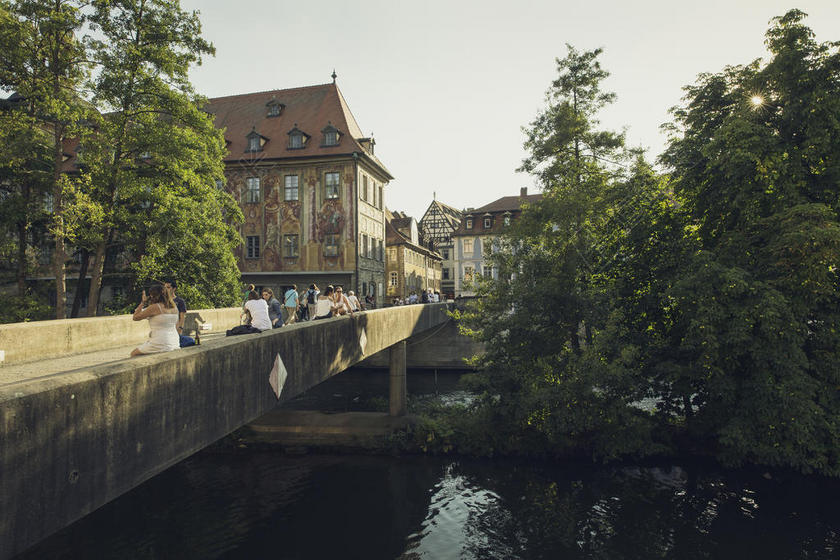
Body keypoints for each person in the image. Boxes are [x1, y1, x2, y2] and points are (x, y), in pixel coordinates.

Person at [131, 285, 180, 356]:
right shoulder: (174, 307)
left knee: (134, 353)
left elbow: (135, 317)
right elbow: (177, 325)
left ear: (152, 295)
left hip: (160, 341)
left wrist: (142, 302)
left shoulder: (155, 307)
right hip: (174, 340)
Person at [165, 279, 195, 347]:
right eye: (165, 288)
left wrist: (180, 328)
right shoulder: (162, 301)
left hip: (175, 327)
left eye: (168, 287)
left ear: (174, 289)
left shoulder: (180, 301)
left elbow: (182, 316)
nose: (166, 290)